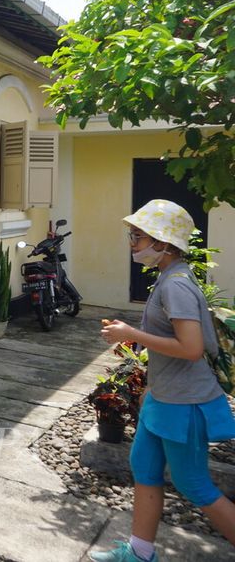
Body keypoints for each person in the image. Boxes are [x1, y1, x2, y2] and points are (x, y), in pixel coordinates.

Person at [90, 199, 235, 562]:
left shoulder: (176, 286)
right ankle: (140, 553)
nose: (132, 243)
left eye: (138, 236)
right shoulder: (170, 278)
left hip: (184, 403)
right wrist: (151, 388)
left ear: (165, 244)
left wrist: (131, 333)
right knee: (145, 468)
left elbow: (190, 348)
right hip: (165, 398)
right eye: (132, 235)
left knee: (193, 484)